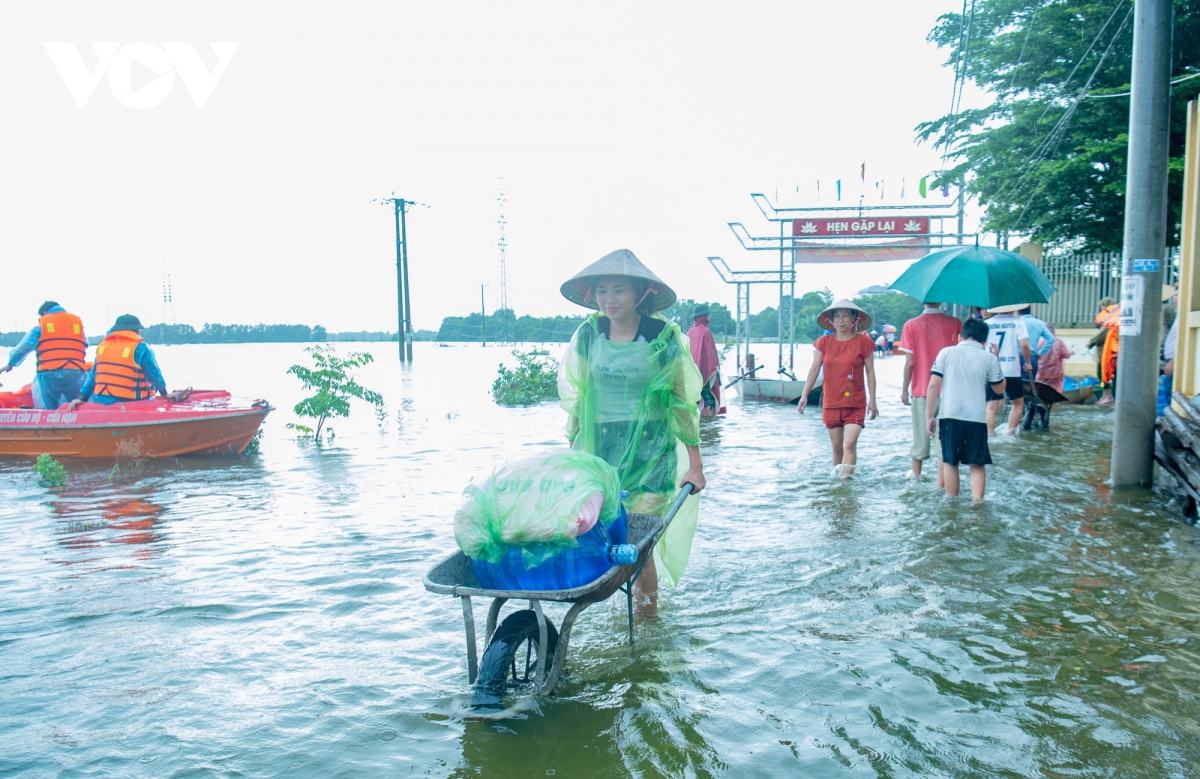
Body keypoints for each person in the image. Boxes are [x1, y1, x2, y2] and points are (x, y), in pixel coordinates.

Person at [558, 250, 705, 614]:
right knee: (603, 532)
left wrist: (696, 463)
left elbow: (681, 401)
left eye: (619, 290)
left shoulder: (661, 336)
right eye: (602, 290)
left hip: (650, 448)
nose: (609, 299)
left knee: (638, 542)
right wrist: (570, 452)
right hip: (601, 446)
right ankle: (624, 620)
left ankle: (648, 621)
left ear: (640, 293)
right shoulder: (589, 334)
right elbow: (577, 396)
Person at [926, 317, 1007, 501]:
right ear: (984, 341)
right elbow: (1000, 389)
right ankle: (977, 504)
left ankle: (952, 503)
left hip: (949, 415)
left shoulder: (946, 352)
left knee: (950, 462)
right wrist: (997, 358)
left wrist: (930, 416)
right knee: (977, 464)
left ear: (960, 336)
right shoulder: (989, 357)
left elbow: (933, 386)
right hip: (976, 417)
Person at [798, 299, 877, 478]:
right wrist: (805, 394)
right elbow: (814, 369)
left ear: (854, 319)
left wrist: (873, 401)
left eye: (845, 316)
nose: (841, 321)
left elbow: (870, 372)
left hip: (855, 403)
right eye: (837, 317)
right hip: (831, 402)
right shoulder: (823, 342)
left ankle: (846, 483)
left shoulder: (863, 343)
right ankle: (837, 484)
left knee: (849, 444)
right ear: (832, 320)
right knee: (836, 447)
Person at [899, 302, 961, 481]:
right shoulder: (956, 323)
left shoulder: (911, 325)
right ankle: (941, 485)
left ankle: (916, 480)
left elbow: (910, 363)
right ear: (941, 301)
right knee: (943, 444)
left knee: (920, 441)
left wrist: (905, 389)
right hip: (949, 390)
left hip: (922, 390)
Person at [0, 301, 88, 409]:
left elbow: (23, 347)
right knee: (76, 406)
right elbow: (85, 344)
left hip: (49, 373)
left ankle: (50, 421)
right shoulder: (77, 324)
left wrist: (11, 363)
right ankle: (78, 423)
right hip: (76, 373)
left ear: (45, 312)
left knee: (50, 408)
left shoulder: (41, 326)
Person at [68, 314, 167, 408]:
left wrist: (82, 398)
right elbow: (154, 374)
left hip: (101, 400)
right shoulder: (141, 347)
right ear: (136, 331)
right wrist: (165, 394)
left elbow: (93, 375)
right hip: (129, 401)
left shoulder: (103, 346)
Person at [983, 304, 1031, 435]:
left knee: (991, 406)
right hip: (1011, 369)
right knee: (1017, 403)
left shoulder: (987, 324)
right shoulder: (1018, 322)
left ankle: (990, 434)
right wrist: (1028, 362)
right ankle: (1010, 434)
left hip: (992, 368)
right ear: (1013, 308)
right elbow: (1024, 344)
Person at [687, 303, 725, 416]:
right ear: (703, 316)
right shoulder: (705, 332)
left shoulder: (690, 331)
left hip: (692, 372)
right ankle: (710, 423)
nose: (710, 317)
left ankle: (698, 426)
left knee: (693, 399)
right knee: (709, 397)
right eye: (708, 315)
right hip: (704, 371)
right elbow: (710, 356)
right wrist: (714, 370)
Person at [1090, 297, 1121, 406]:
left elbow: (1101, 336)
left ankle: (1108, 396)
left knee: (1104, 375)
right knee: (1102, 375)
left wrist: (1091, 342)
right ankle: (1106, 395)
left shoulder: (1111, 321)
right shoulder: (1111, 320)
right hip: (1106, 352)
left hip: (1107, 353)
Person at [1016, 306, 1054, 379]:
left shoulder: (1017, 322)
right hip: (1032, 357)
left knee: (1016, 387)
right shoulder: (1039, 323)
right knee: (1030, 386)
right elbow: (1051, 338)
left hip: (1017, 358)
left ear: (1017, 312)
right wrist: (1041, 352)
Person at [1035, 325, 1073, 394]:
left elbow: (1035, 355)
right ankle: (1054, 403)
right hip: (1055, 372)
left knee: (1041, 390)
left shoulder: (1040, 343)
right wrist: (1071, 353)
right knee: (1055, 392)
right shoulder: (1059, 342)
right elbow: (1066, 355)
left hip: (1042, 371)